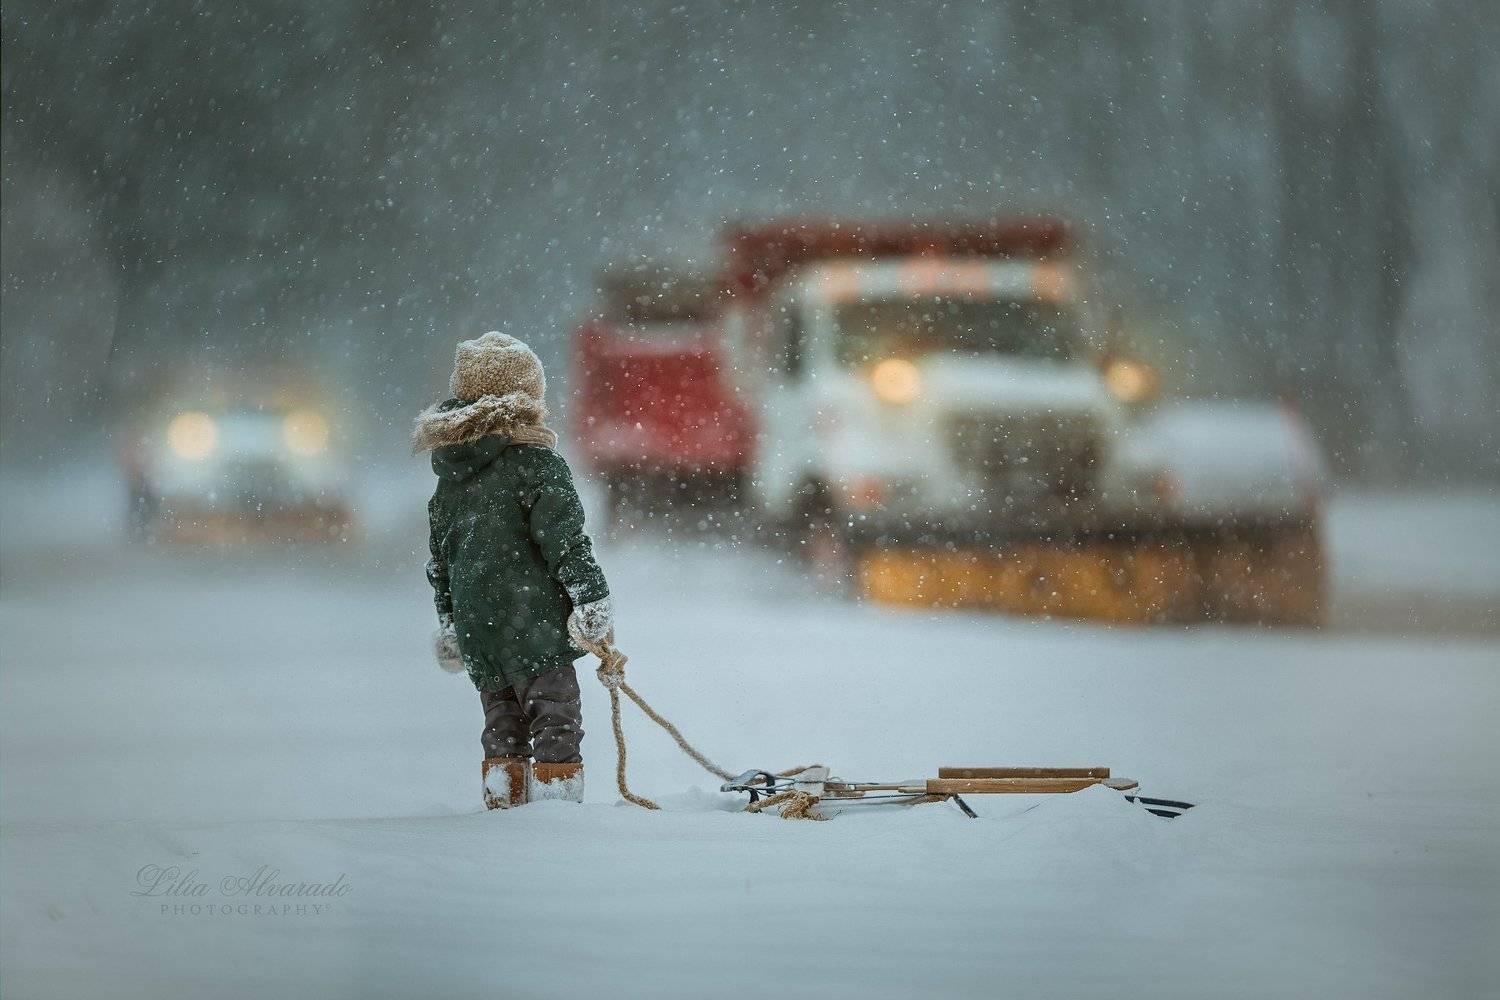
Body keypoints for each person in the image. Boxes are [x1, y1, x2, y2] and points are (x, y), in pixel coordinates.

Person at [415, 331, 613, 809]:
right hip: (534, 622)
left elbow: (441, 563)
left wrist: (449, 623)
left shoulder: (449, 479)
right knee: (556, 720)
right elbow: (566, 543)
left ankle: (505, 805)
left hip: (478, 627)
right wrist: (591, 598)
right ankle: (557, 812)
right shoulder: (536, 465)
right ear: (529, 397)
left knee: (502, 724)